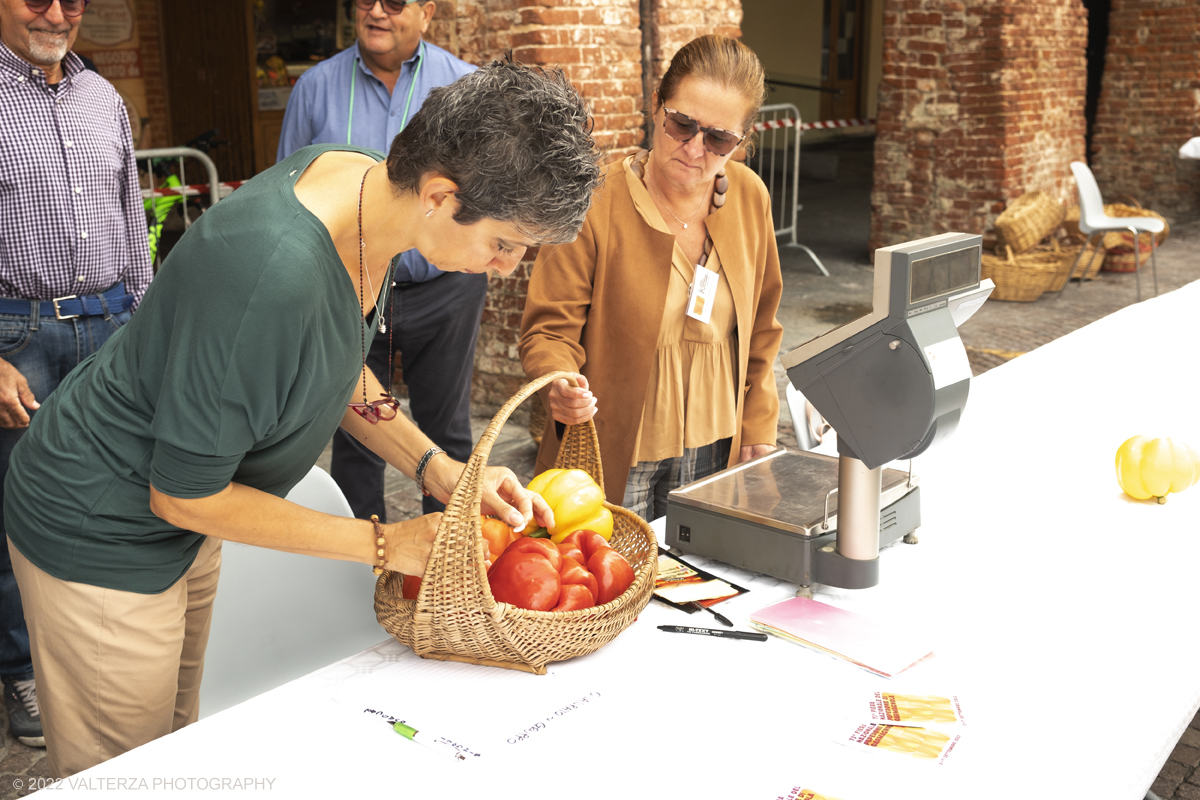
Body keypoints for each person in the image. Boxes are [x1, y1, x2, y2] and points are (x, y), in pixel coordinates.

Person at [5, 57, 601, 777]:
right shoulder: (273, 270)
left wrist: (436, 466)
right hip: (103, 523)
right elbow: (183, 493)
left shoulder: (364, 187)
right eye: (506, 243)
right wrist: (387, 545)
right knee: (125, 774)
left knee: (174, 742)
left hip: (187, 512)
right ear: (441, 196)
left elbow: (329, 353)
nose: (507, 267)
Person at [519, 34, 784, 522]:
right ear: (657, 107)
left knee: (700, 583)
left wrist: (759, 422)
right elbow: (548, 330)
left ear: (742, 141)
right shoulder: (596, 201)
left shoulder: (750, 199)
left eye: (718, 138)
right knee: (614, 580)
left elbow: (763, 327)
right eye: (682, 124)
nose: (694, 148)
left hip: (716, 443)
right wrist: (557, 380)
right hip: (615, 445)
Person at [0, 0, 152, 749]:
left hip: (113, 324)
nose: (56, 13)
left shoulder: (104, 98)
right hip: (18, 334)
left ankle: (106, 650)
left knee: (118, 495)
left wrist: (150, 327)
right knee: (20, 512)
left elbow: (133, 221)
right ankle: (25, 668)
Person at [278, 0, 485, 522]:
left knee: (448, 433)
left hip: (444, 294)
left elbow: (488, 199)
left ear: (427, 12)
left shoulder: (468, 88)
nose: (376, 12)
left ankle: (449, 567)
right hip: (348, 296)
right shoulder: (315, 88)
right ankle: (363, 573)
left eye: (393, 2)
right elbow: (289, 195)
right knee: (356, 435)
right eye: (364, 1)